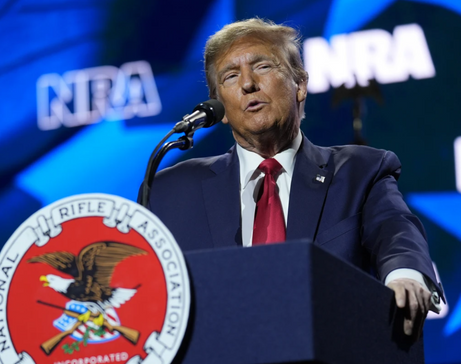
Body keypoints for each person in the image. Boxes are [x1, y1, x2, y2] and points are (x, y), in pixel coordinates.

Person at [147, 18, 443, 339]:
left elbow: (396, 230)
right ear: (221, 107)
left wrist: (405, 274)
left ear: (300, 84)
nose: (247, 84)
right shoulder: (172, 189)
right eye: (231, 76)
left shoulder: (360, 171)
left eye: (262, 67)